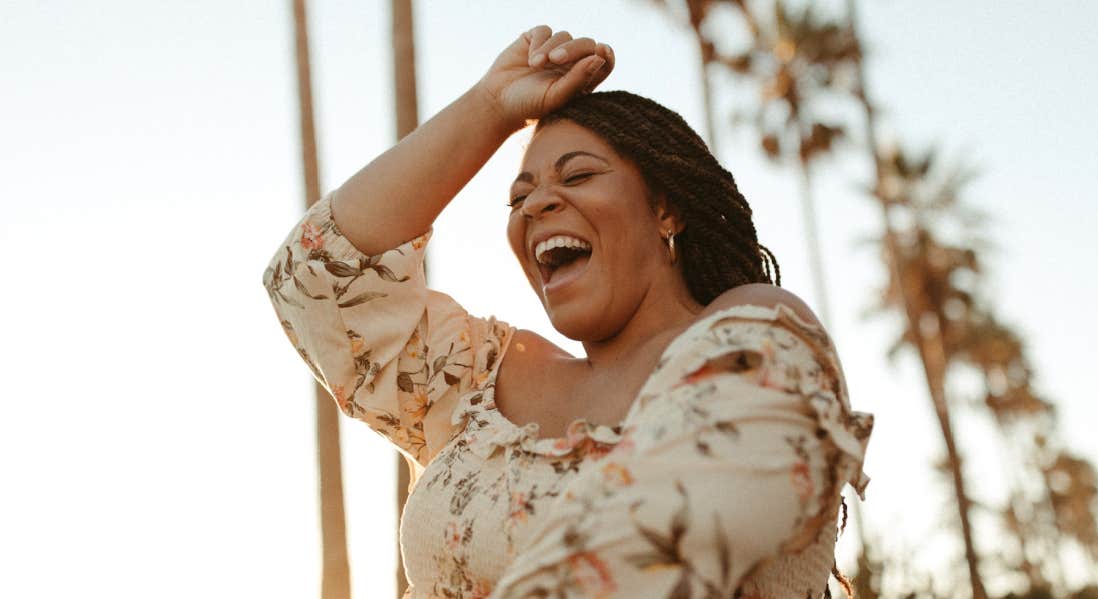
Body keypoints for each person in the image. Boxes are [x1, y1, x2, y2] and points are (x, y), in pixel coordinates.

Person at [263, 25, 873, 598]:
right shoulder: (478, 383)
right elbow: (316, 277)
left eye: (579, 175)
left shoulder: (759, 333)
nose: (537, 205)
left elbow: (647, 550)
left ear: (667, 209)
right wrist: (490, 107)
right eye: (519, 195)